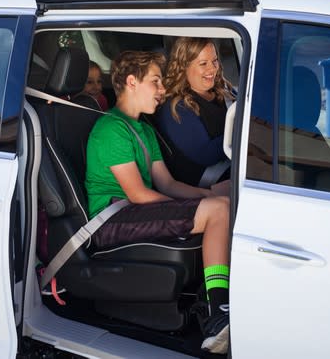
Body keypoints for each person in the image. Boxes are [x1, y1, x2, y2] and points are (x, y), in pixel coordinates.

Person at [85, 50, 231, 354]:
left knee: (222, 201)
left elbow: (167, 183)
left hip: (134, 210)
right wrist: (197, 211)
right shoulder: (110, 130)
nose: (163, 90)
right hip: (113, 218)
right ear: (131, 82)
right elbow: (138, 194)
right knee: (216, 212)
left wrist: (211, 194)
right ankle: (219, 313)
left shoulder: (143, 129)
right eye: (156, 82)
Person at [154, 37, 236, 187]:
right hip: (211, 180)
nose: (212, 69)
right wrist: (243, 133)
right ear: (183, 67)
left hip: (234, 163)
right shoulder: (176, 107)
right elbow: (206, 155)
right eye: (203, 64)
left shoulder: (224, 90)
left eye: (215, 61)